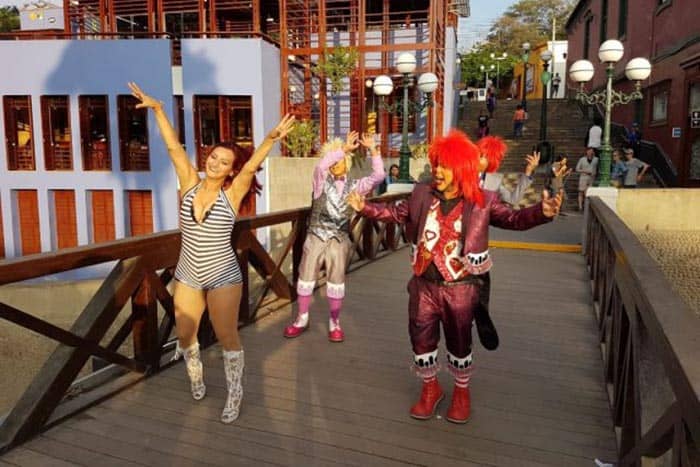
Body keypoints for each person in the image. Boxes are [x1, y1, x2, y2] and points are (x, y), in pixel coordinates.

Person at [347, 129, 561, 424]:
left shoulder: (483, 199)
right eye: (436, 164)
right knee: (420, 339)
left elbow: (513, 218)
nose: (437, 171)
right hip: (423, 283)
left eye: (445, 166)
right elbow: (397, 214)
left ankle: (461, 392)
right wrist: (366, 207)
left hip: (460, 286)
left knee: (460, 342)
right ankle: (430, 389)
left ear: (461, 168)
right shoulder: (422, 193)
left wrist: (541, 212)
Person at [128, 82, 295, 424]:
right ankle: (194, 370)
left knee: (226, 335)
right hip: (188, 272)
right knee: (186, 334)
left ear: (231, 170)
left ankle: (235, 393)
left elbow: (251, 169)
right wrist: (159, 110)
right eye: (213, 157)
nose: (215, 163)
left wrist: (270, 139)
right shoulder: (189, 184)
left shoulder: (232, 196)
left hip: (223, 275)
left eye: (224, 162)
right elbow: (175, 150)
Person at [283, 131, 384, 342]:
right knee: (306, 278)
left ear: (347, 164)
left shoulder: (356, 186)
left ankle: (334, 321)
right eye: (333, 161)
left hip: (339, 239)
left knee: (336, 281)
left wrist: (373, 150)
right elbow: (320, 166)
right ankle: (302, 318)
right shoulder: (320, 182)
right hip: (316, 236)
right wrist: (343, 149)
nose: (334, 165)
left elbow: (378, 177)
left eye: (339, 161)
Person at [477, 136, 539, 206]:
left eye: (482, 156)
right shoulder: (464, 173)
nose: (477, 158)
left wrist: (528, 172)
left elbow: (512, 199)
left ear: (491, 162)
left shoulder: (493, 181)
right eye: (478, 153)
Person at [575, 147, 599, 211]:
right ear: (586, 152)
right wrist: (585, 171)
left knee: (588, 193)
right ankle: (580, 207)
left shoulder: (596, 159)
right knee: (581, 192)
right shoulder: (582, 159)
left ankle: (587, 207)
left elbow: (598, 168)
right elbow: (577, 169)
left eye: (591, 151)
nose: (590, 153)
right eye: (589, 151)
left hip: (592, 178)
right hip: (583, 177)